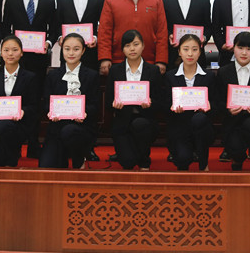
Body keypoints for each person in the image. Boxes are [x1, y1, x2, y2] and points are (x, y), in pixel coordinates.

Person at [2, 0, 57, 158]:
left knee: (34, 102)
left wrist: (48, 43)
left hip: (39, 61)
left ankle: (34, 144)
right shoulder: (11, 1)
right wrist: (10, 47)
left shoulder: (49, 2)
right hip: (15, 61)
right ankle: (14, 144)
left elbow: (54, 29)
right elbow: (5, 28)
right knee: (15, 100)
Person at [39, 33, 100, 169]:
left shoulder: (92, 75)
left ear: (83, 51)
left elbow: (95, 105)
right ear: (62, 50)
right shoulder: (53, 75)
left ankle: (79, 160)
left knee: (70, 131)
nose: (71, 53)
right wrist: (51, 112)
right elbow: (46, 103)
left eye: (76, 49)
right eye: (67, 49)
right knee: (47, 166)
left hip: (82, 127)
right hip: (57, 127)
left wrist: (83, 112)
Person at [98, 0, 168, 76]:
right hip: (118, 61)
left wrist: (161, 60)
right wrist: (105, 58)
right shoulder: (111, 0)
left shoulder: (156, 1)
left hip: (149, 61)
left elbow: (162, 32)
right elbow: (104, 32)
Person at [107, 30, 164, 171]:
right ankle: (133, 154)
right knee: (128, 162)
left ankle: (144, 160)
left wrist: (150, 103)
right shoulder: (115, 71)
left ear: (143, 46)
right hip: (122, 121)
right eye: (127, 45)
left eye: (136, 44)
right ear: (122, 49)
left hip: (146, 121)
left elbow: (160, 102)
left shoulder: (153, 70)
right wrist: (114, 104)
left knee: (140, 124)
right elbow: (108, 101)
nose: (132, 49)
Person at [216, 31, 250, 171]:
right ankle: (238, 157)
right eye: (240, 48)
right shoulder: (223, 72)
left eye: (249, 49)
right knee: (236, 149)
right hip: (232, 121)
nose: (244, 53)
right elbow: (218, 101)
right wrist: (228, 109)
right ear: (233, 47)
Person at [0, 35, 41, 167]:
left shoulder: (30, 77)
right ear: (1, 53)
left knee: (5, 127)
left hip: (20, 124)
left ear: (21, 52)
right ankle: (10, 153)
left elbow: (34, 105)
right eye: (6, 50)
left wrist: (23, 111)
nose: (10, 54)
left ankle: (12, 156)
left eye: (15, 50)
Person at [164, 34, 217, 171]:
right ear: (179, 52)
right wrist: (171, 107)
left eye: (194, 49)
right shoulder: (170, 76)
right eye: (186, 49)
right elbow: (164, 104)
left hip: (202, 128)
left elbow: (216, 104)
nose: (190, 54)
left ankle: (203, 163)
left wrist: (210, 106)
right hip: (179, 127)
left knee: (199, 119)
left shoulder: (209, 76)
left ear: (200, 52)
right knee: (183, 160)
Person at [55, 0, 106, 71]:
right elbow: (57, 22)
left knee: (90, 81)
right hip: (68, 52)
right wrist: (60, 37)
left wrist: (95, 38)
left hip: (90, 52)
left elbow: (103, 24)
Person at [160, 0, 212, 70]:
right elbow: (161, 26)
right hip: (172, 56)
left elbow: (208, 27)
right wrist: (169, 35)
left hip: (197, 56)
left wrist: (204, 37)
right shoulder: (163, 0)